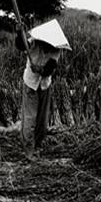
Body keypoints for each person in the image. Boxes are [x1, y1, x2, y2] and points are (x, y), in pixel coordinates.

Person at [15, 19, 72, 160]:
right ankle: (28, 150)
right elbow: (21, 45)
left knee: (42, 119)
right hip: (30, 84)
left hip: (45, 85)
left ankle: (37, 145)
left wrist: (39, 69)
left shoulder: (56, 49)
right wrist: (19, 32)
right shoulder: (34, 42)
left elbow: (48, 70)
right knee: (30, 118)